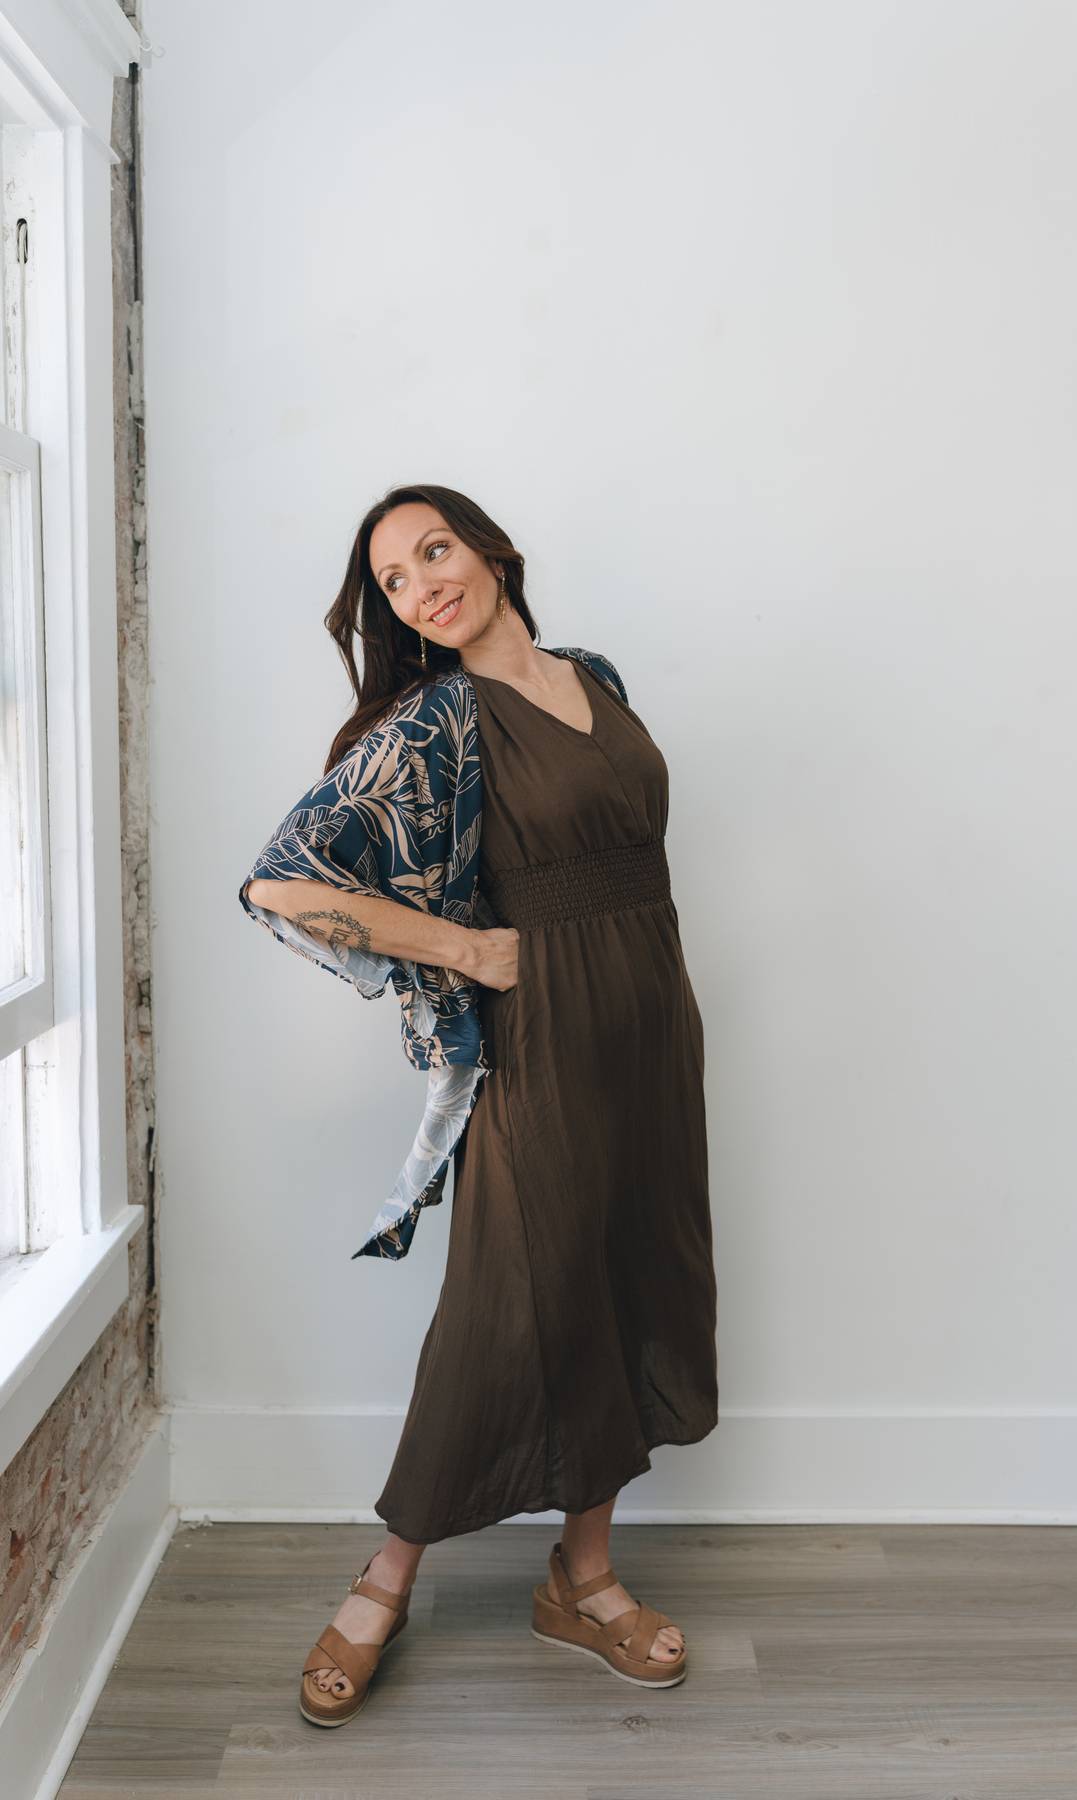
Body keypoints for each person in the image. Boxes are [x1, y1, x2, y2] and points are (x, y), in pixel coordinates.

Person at [242, 484, 718, 1726]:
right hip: (543, 1039)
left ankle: (585, 1579)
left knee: (629, 1276)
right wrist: (460, 949)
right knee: (505, 1306)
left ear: (494, 551)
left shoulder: (595, 677)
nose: (420, 587)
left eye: (434, 551)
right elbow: (281, 884)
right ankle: (385, 1581)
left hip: (652, 1024)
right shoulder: (438, 721)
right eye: (394, 581)